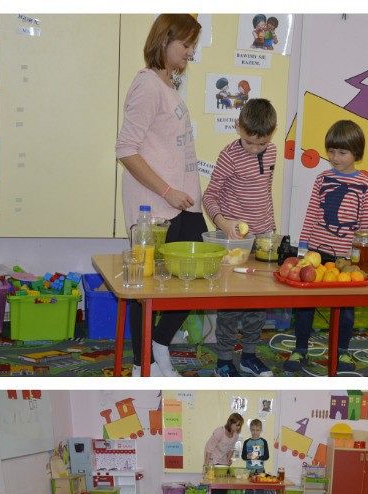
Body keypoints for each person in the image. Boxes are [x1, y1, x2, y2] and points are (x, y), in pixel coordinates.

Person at [116, 14, 206, 377]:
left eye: (193, 46)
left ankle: (159, 346)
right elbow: (126, 150)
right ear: (164, 40)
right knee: (149, 289)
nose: (191, 53)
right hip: (155, 207)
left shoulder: (168, 85)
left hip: (184, 204)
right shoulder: (148, 85)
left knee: (195, 280)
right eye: (186, 45)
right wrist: (167, 191)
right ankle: (144, 365)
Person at [283, 120, 368, 374]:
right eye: (331, 151)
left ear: (356, 153)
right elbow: (312, 213)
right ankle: (300, 348)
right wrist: (303, 246)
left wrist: (357, 258)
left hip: (346, 257)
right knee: (305, 305)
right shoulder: (322, 178)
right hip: (317, 252)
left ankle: (342, 350)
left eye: (342, 152)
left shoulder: (365, 184)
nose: (335, 157)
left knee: (345, 309)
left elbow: (364, 224)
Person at [202, 98, 277, 377]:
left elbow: (265, 191)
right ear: (238, 126)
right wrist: (224, 223)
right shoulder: (229, 156)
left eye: (261, 143)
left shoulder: (272, 152)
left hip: (263, 239)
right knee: (231, 304)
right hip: (234, 242)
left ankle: (249, 356)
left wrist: (270, 229)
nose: (255, 148)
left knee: (258, 302)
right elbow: (209, 196)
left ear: (272, 133)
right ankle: (223, 360)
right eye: (249, 142)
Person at [204, 413, 244, 494]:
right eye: (237, 425)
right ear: (230, 423)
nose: (238, 427)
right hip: (213, 460)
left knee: (224, 485)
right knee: (216, 485)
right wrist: (206, 466)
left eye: (240, 425)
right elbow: (208, 449)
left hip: (223, 462)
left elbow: (230, 449)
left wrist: (229, 459)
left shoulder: (235, 435)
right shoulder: (219, 432)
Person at [242, 418, 272, 494]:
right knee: (248, 491)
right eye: (253, 430)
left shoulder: (263, 442)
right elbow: (243, 456)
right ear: (250, 430)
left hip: (260, 470)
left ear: (261, 430)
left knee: (260, 491)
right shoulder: (247, 442)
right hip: (249, 470)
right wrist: (248, 456)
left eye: (257, 430)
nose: (255, 432)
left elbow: (267, 456)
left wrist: (258, 457)